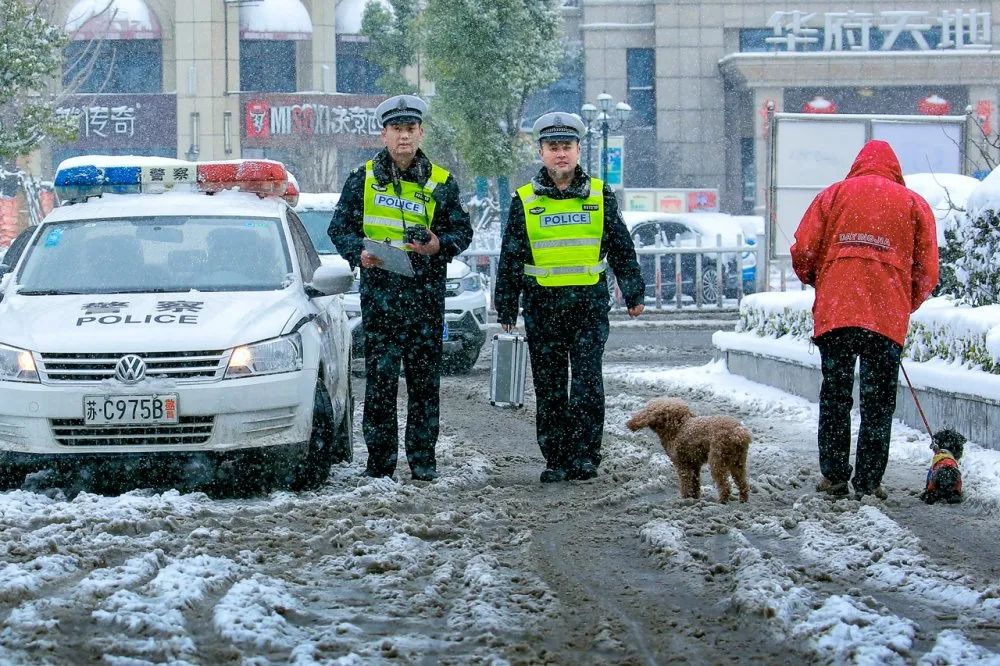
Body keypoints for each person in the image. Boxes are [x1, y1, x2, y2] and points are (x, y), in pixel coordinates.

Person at [495, 112, 645, 483]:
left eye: (567, 147)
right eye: (553, 147)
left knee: (587, 384)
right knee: (549, 388)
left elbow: (621, 248)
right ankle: (556, 459)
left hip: (588, 308)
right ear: (541, 152)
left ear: (578, 151)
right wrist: (507, 303)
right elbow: (511, 255)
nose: (560, 154)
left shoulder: (598, 195)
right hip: (542, 308)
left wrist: (633, 292)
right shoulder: (525, 200)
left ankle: (585, 457)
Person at [328, 94, 473, 482]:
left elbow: (462, 231)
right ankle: (380, 466)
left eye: (410, 129)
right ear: (384, 134)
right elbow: (338, 228)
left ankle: (423, 463)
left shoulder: (441, 182)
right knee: (380, 387)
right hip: (380, 299)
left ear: (421, 132)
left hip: (425, 299)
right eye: (396, 129)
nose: (404, 137)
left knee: (425, 387)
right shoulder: (362, 179)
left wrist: (437, 244)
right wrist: (359, 252)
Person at [791, 140, 939, 500]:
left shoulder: (834, 195)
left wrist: (822, 280)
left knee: (836, 397)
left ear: (857, 165)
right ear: (895, 169)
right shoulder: (913, 204)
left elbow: (804, 249)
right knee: (878, 402)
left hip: (838, 312)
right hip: (885, 319)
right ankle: (870, 482)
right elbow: (927, 269)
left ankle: (835, 476)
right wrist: (904, 301)